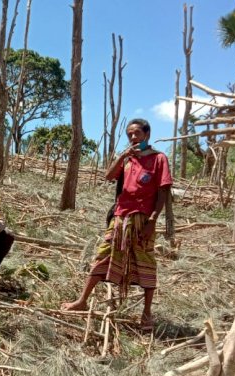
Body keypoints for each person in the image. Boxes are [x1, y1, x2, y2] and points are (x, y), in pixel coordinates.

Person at [62, 118, 172, 330]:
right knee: (103, 255)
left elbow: (163, 193)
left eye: (137, 133)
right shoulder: (128, 160)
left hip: (142, 219)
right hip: (120, 217)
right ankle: (82, 301)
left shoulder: (159, 159)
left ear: (147, 135)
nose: (133, 137)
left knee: (146, 262)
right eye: (129, 134)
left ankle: (146, 314)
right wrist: (122, 156)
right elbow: (108, 176)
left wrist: (152, 220)